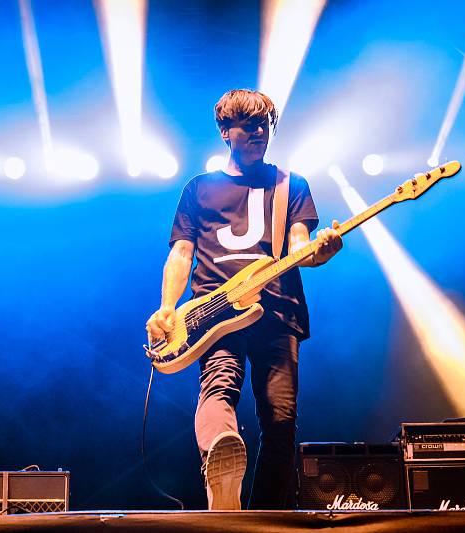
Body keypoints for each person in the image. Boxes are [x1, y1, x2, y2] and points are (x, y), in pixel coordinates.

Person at [145, 89, 342, 510]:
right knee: (218, 388)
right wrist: (166, 307)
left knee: (280, 420)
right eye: (247, 125)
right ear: (224, 131)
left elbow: (299, 246)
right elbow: (181, 252)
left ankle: (266, 516)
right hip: (214, 312)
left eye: (264, 126)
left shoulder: (292, 184)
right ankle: (222, 457)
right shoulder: (199, 189)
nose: (258, 133)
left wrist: (319, 252)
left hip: (277, 310)